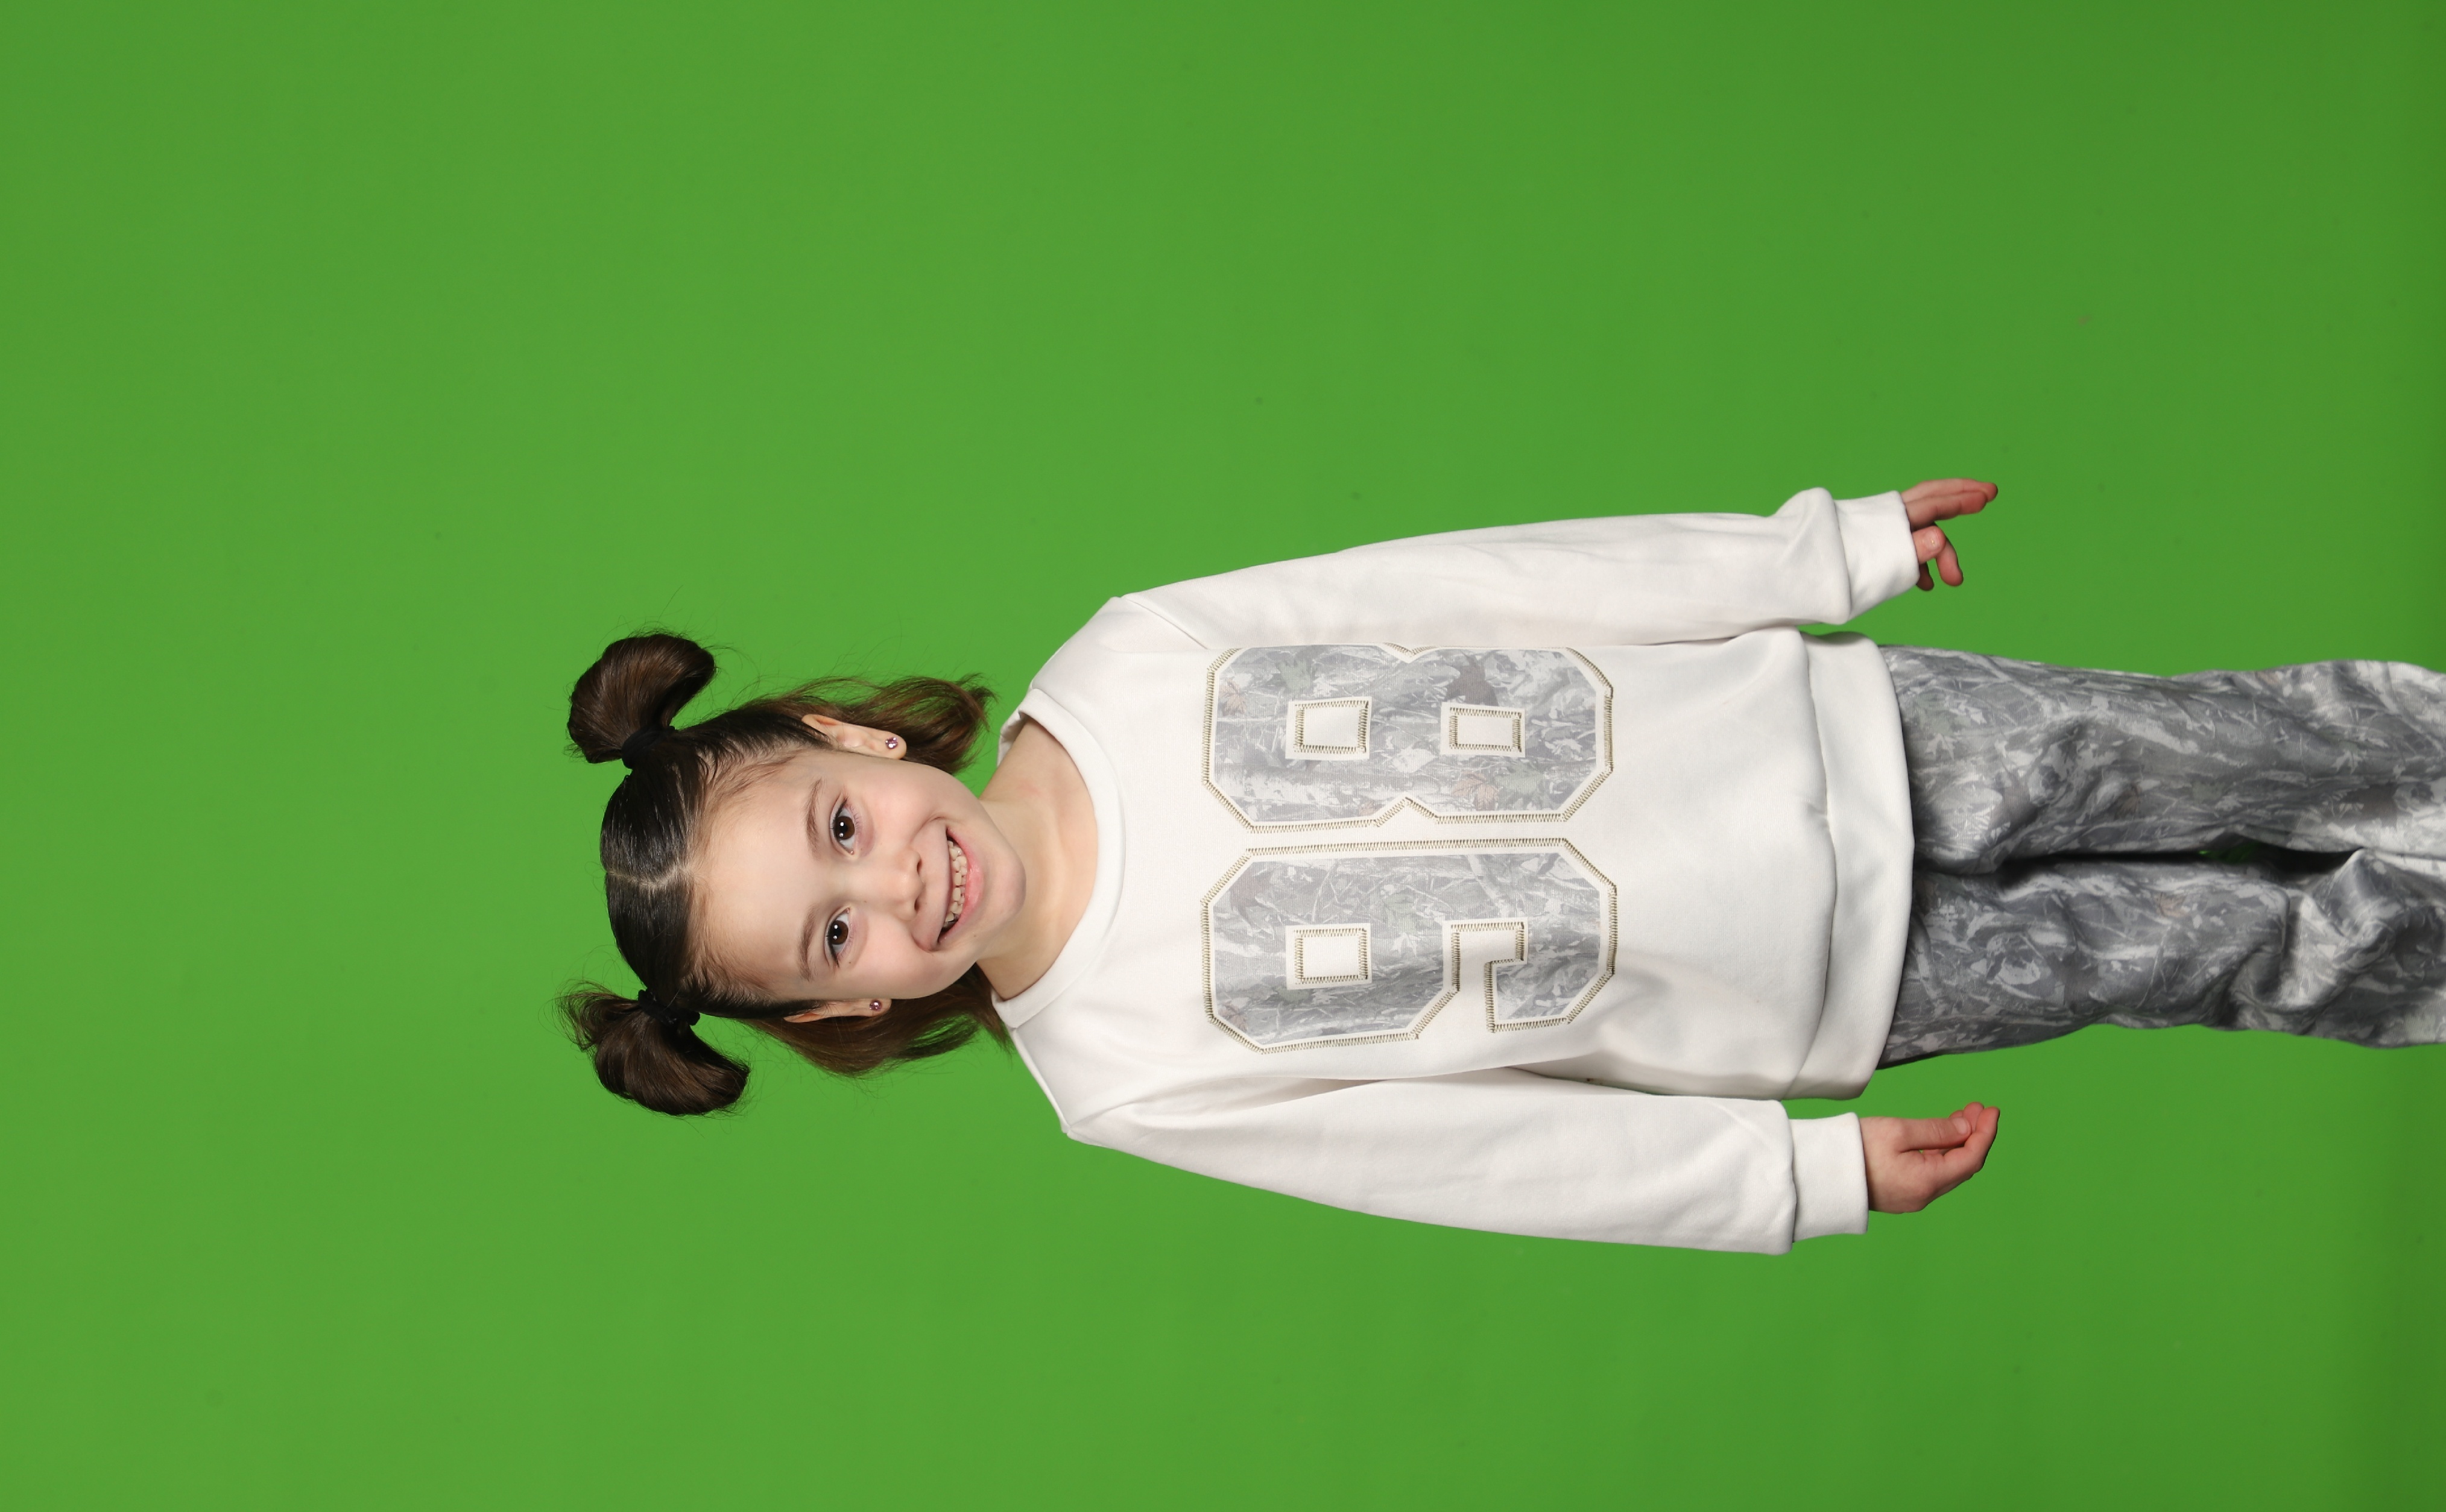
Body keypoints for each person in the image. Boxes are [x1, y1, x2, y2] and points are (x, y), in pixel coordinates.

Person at [560, 480, 2446, 1253]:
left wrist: (1803, 558)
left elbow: (1490, 584)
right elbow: (1477, 1156)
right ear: (850, 1013)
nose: (895, 891)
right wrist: (1782, 1179)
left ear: (861, 744)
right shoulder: (1120, 1074)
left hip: (1835, 730)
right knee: (2211, 945)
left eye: (838, 830)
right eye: (833, 939)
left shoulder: (1130, 657)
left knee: (2235, 745)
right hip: (1816, 992)